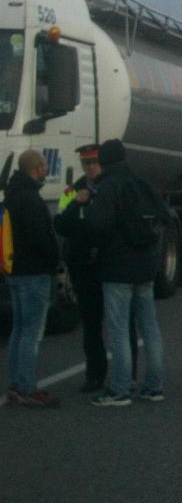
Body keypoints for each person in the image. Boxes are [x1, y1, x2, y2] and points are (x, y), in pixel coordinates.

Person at [85, 139, 169, 407]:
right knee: (150, 327)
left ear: (105, 160)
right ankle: (154, 386)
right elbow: (164, 216)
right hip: (145, 265)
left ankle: (120, 389)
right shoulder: (140, 183)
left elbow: (97, 224)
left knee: (119, 329)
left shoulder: (109, 186)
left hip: (117, 267)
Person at [54, 144, 136, 394]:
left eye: (93, 162)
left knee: (122, 322)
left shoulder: (112, 187)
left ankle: (128, 375)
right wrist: (76, 205)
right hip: (83, 267)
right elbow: (61, 224)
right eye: (85, 163)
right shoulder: (74, 189)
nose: (89, 168)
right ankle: (95, 375)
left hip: (109, 264)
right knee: (91, 325)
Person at [4, 150, 61, 408]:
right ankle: (26, 386)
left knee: (18, 329)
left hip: (14, 270)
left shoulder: (13, 194)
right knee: (31, 332)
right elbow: (40, 237)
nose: (46, 169)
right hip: (34, 272)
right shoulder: (30, 199)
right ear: (36, 168)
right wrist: (55, 260)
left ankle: (16, 383)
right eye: (44, 166)